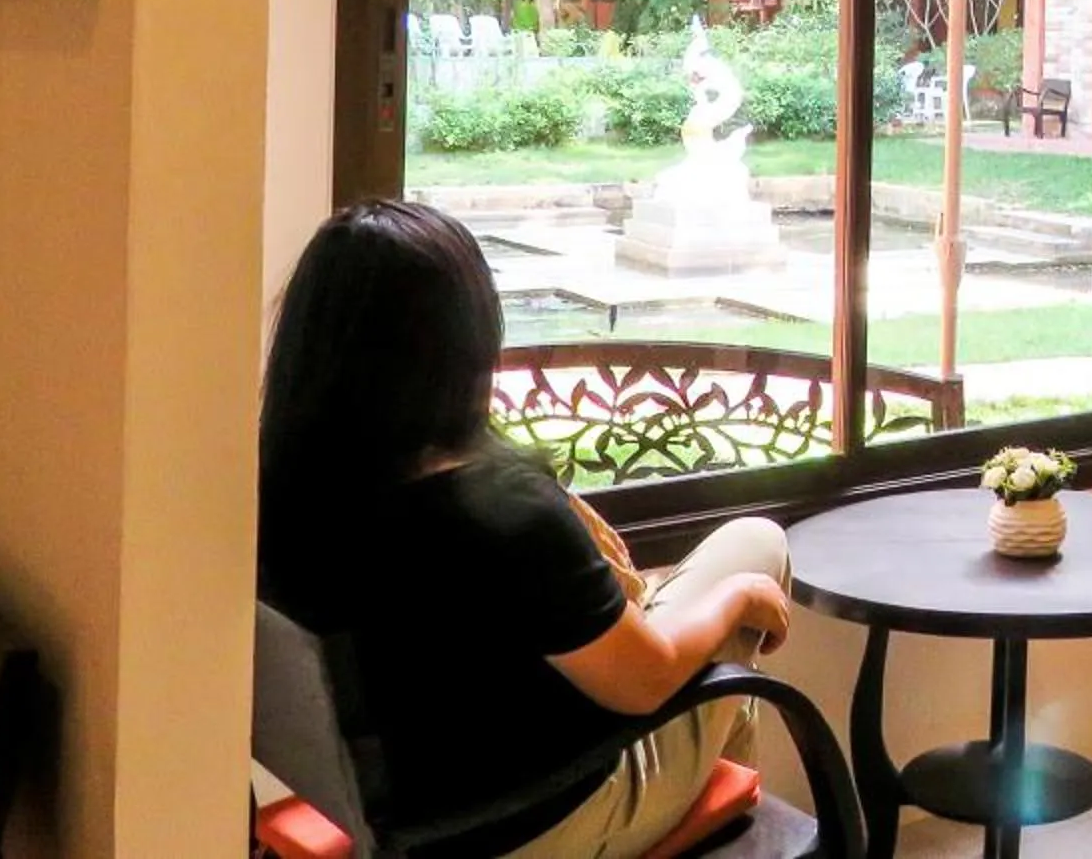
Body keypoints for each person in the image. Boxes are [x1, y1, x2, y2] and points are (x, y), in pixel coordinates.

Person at [259, 200, 794, 859]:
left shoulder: (280, 489)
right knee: (754, 547)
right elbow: (646, 681)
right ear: (465, 339)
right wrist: (738, 597)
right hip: (531, 819)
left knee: (706, 665)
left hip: (391, 808)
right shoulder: (504, 513)